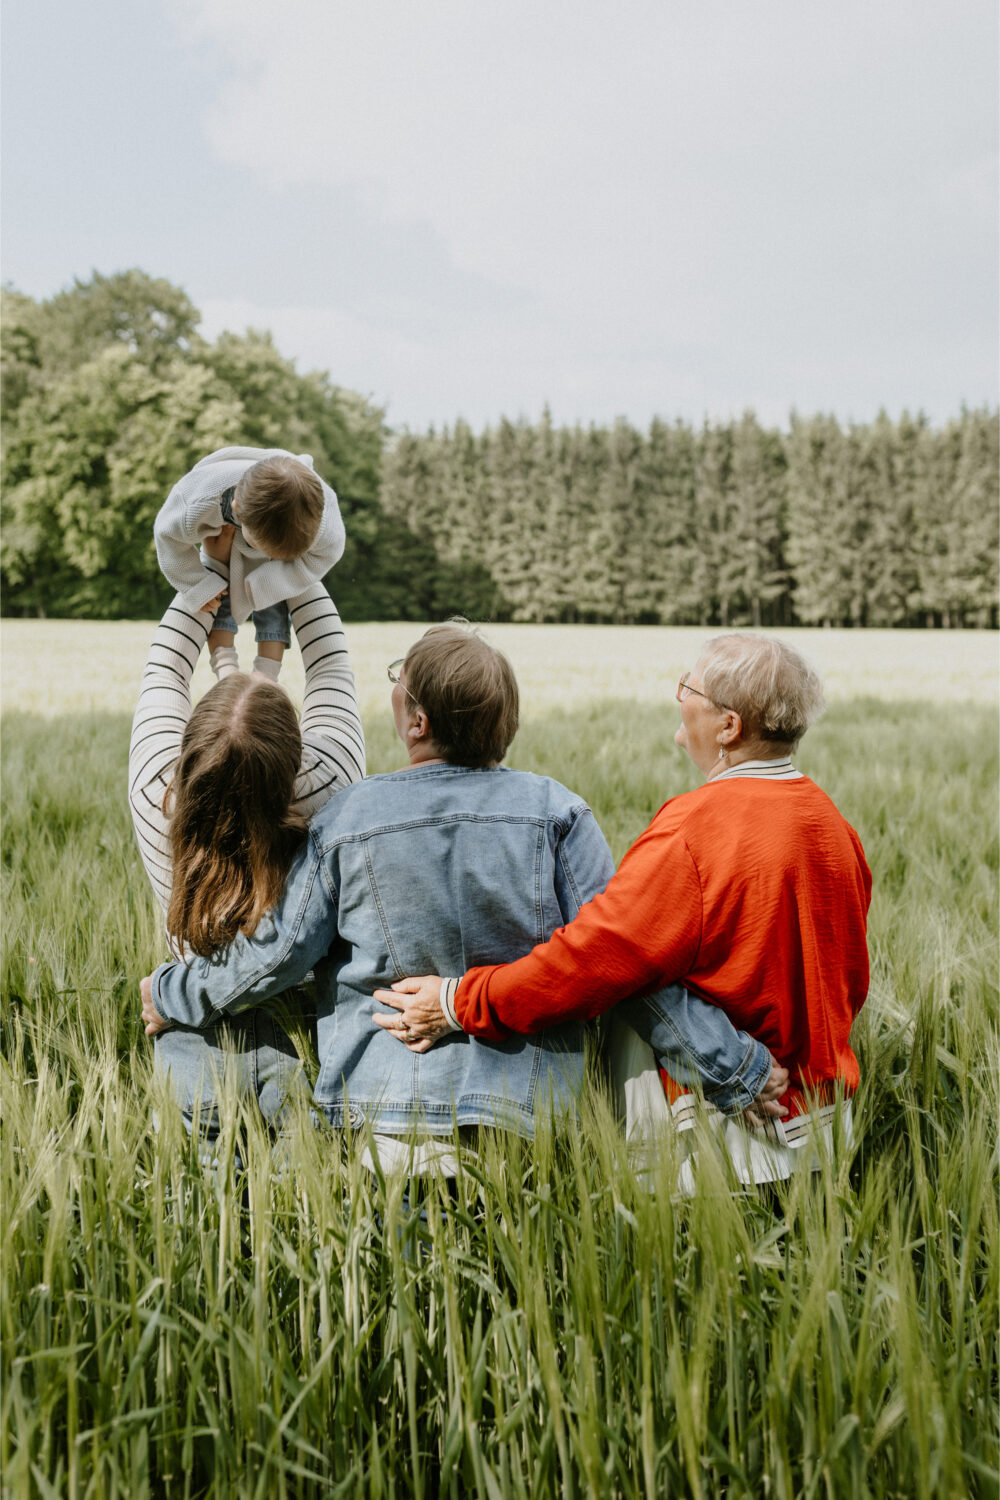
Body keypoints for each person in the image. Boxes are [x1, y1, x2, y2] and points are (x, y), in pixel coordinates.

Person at [140, 624, 785, 1175]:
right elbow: (623, 964)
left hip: (383, 1117)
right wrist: (733, 1071)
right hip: (529, 1122)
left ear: (417, 721)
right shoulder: (559, 813)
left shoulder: (350, 816)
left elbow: (275, 955)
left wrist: (169, 994)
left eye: (400, 678)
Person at [372, 633, 872, 1188]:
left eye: (689, 686)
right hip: (821, 1125)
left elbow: (596, 962)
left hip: (721, 1136)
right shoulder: (833, 826)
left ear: (729, 727)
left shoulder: (695, 828)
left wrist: (458, 1000)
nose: (677, 696)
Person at [129, 523, 365, 1137]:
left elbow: (165, 666)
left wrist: (210, 562)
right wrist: (289, 558)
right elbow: (333, 667)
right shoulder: (333, 781)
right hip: (311, 1031)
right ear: (297, 755)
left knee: (201, 1221)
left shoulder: (156, 784)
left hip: (190, 1033)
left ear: (188, 744)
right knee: (308, 1215)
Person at [153, 445, 345, 682]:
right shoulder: (196, 501)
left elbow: (327, 554)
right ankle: (225, 669)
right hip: (223, 527)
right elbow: (167, 536)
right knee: (216, 591)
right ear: (236, 509)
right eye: (264, 547)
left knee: (274, 595)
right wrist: (196, 584)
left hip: (280, 515)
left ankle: (266, 674)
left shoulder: (324, 518)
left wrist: (275, 579)